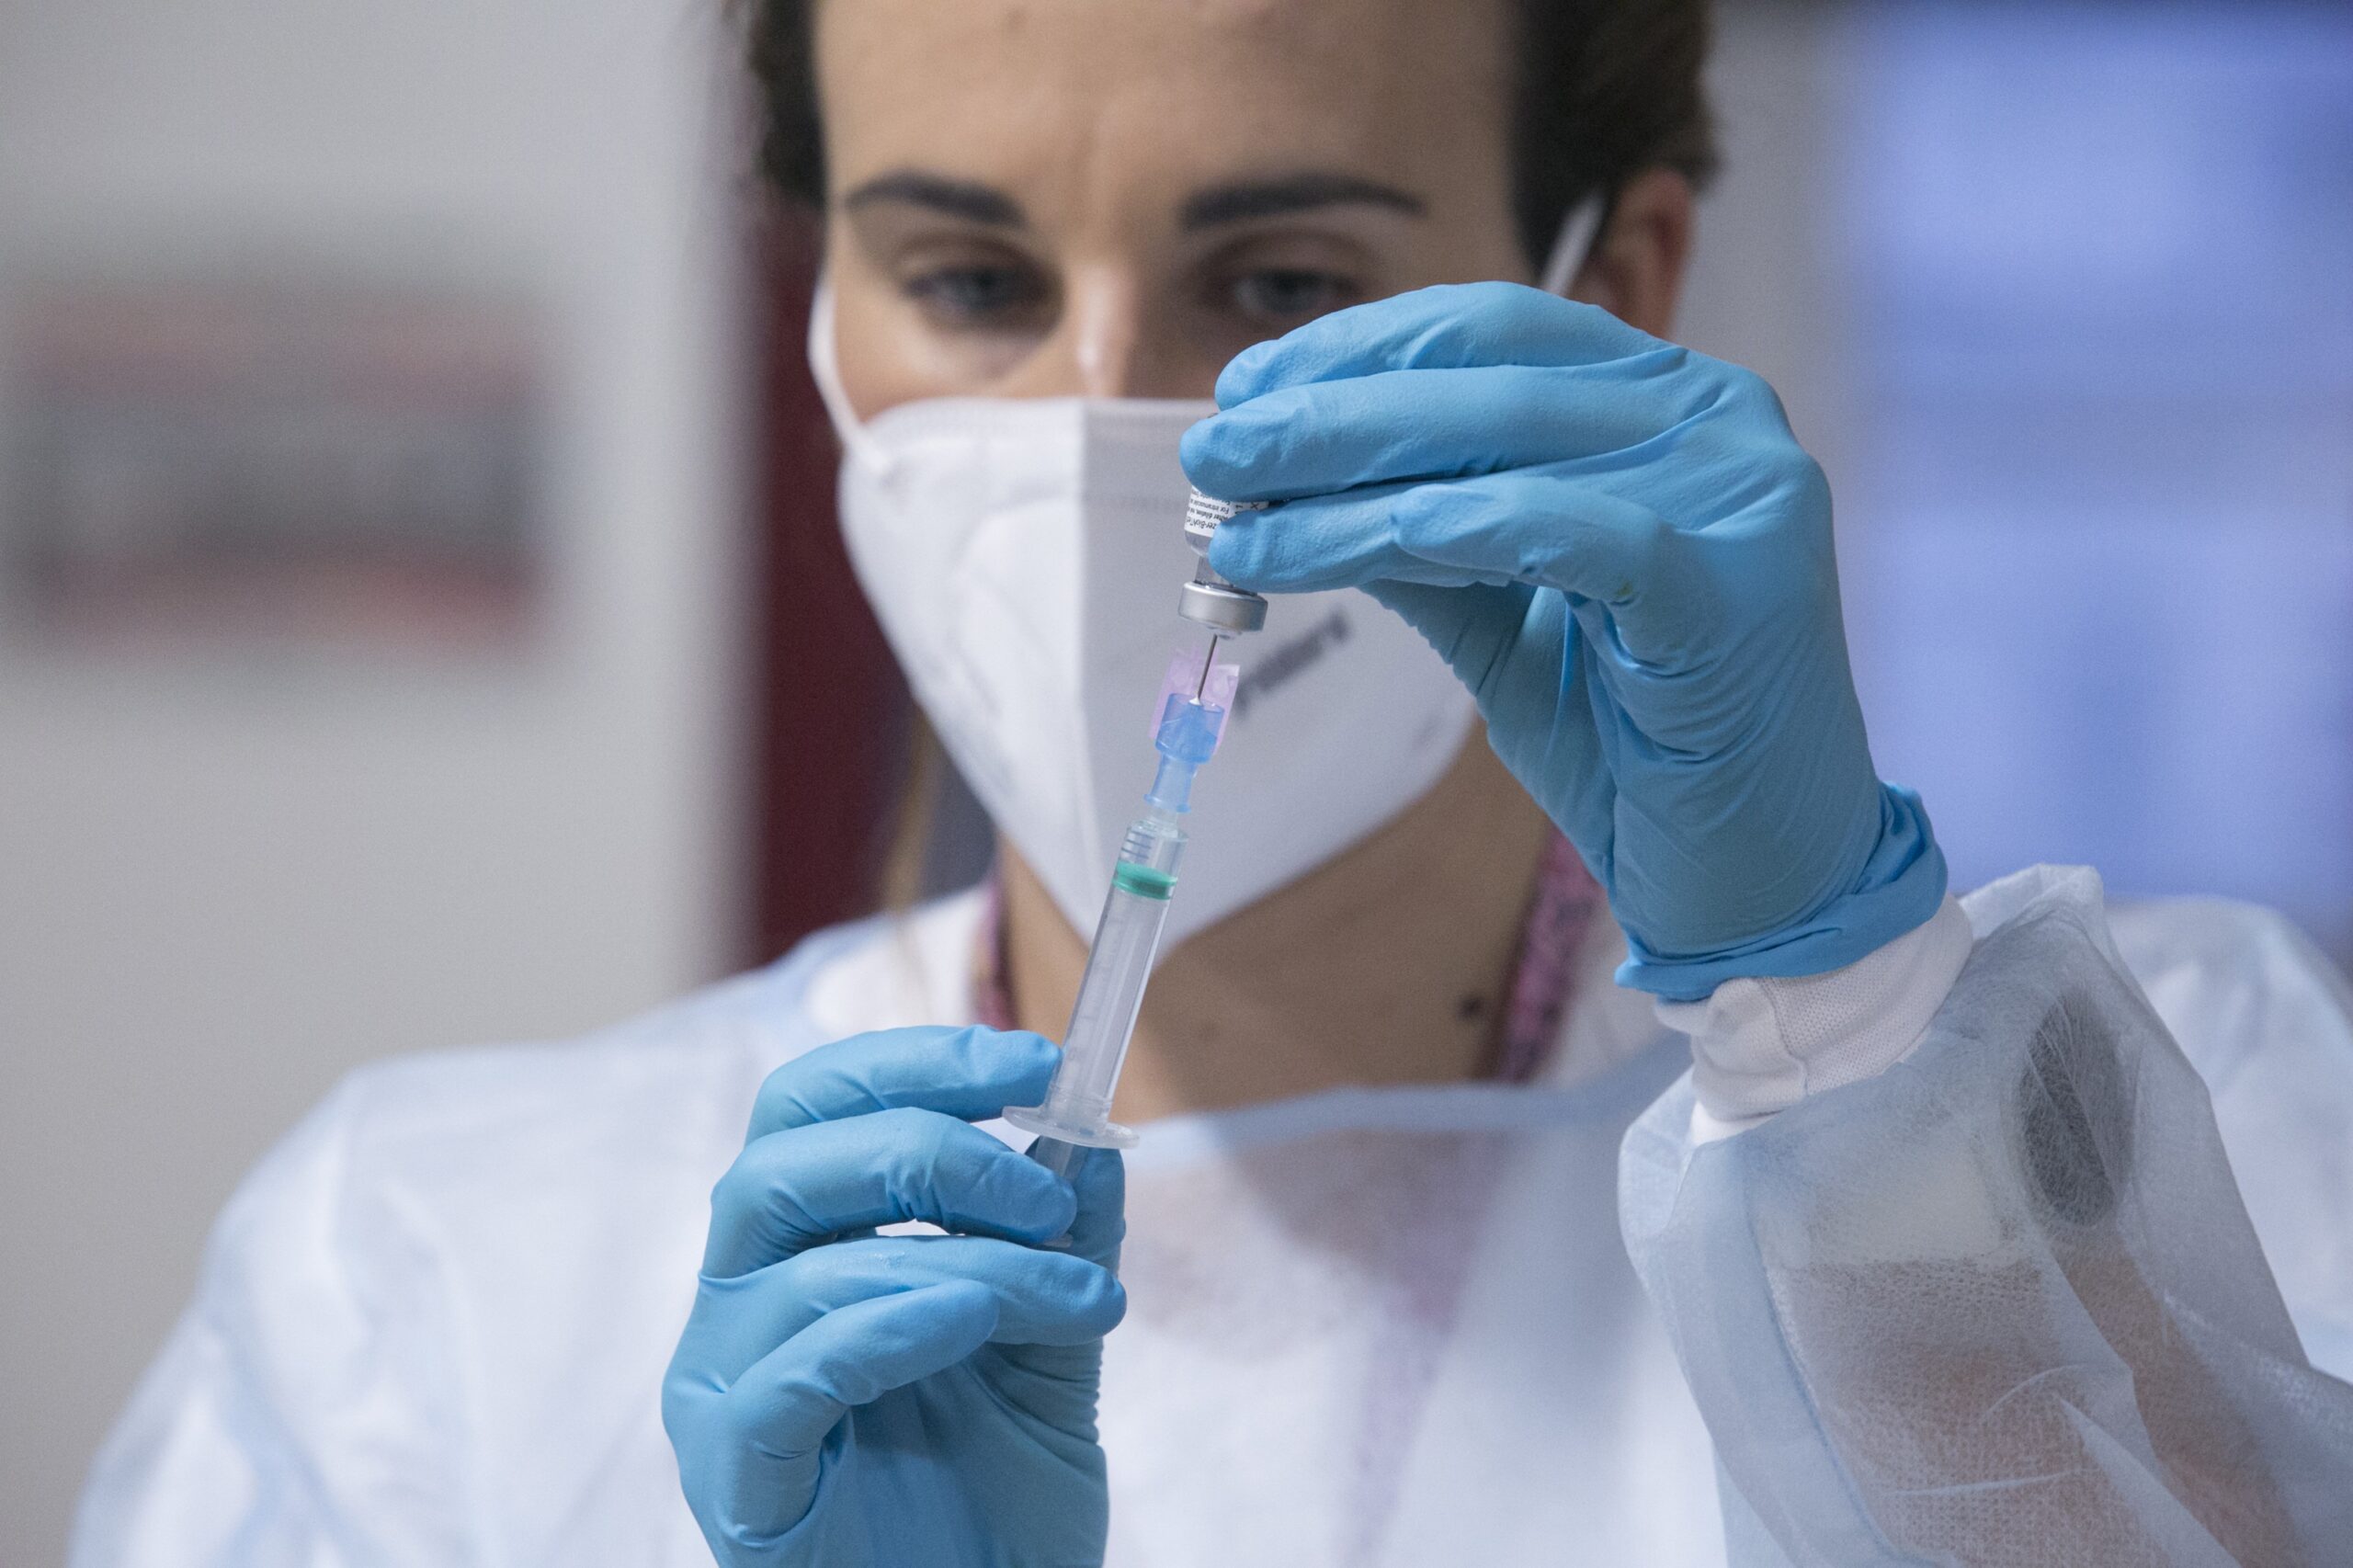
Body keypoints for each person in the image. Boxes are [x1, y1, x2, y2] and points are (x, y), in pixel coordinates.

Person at [73, 1, 2353, 1563]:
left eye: (1273, 278)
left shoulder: (2145, 1111)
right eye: (968, 276)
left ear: (1619, 284)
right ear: (823, 312)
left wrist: (1845, 1039)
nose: (1104, 418)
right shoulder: (438, 1277)